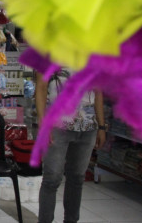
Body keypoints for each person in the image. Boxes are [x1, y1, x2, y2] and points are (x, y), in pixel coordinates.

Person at [36, 69, 107, 223]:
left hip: (88, 127)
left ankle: (71, 220)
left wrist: (101, 126)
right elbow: (41, 87)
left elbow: (98, 91)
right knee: (52, 178)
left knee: (77, 178)